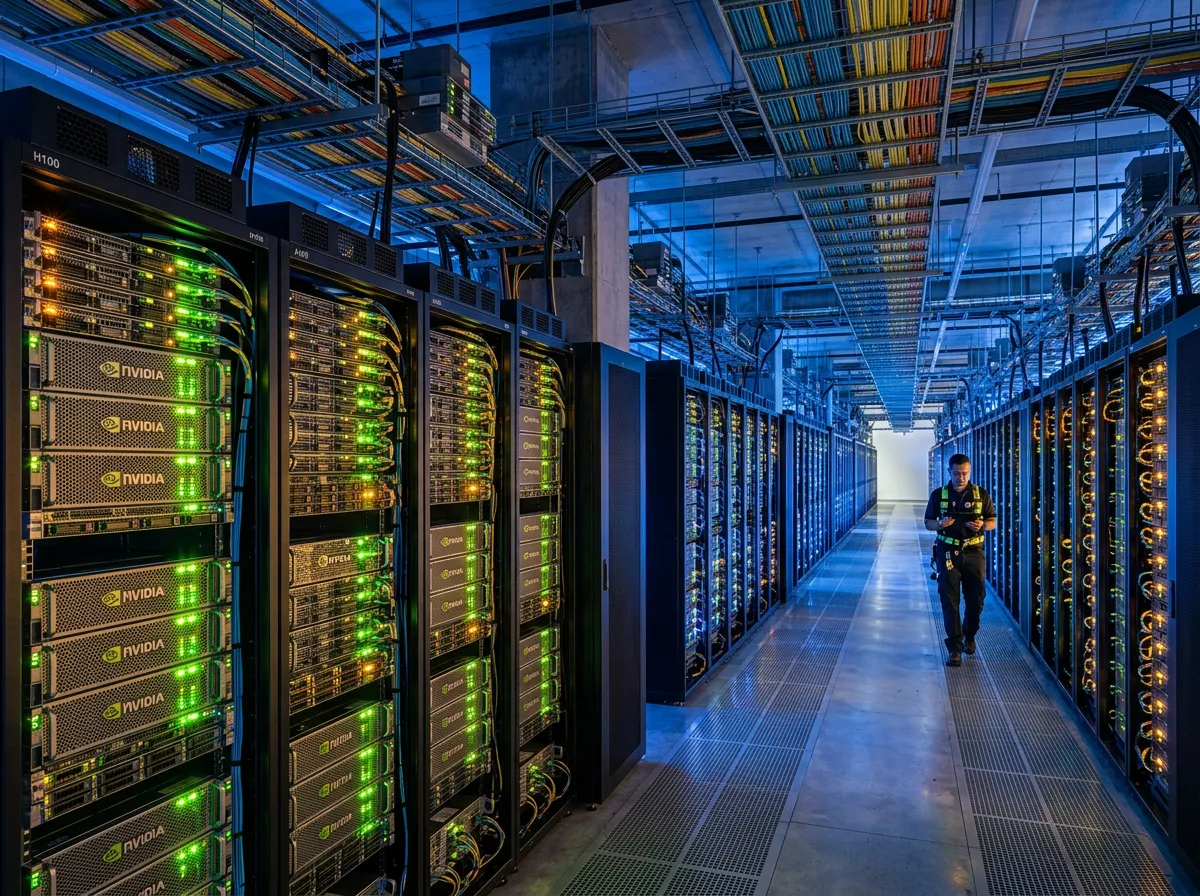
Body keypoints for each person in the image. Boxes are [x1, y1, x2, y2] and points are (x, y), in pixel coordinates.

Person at [924, 453, 997, 667]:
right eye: (956, 474)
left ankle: (969, 635)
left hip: (974, 551)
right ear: (949, 472)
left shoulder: (980, 494)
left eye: (964, 473)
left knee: (976, 600)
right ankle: (954, 648)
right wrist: (940, 525)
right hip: (948, 551)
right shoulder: (939, 495)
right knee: (949, 600)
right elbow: (928, 522)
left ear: (970, 472)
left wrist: (982, 526)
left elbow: (992, 519)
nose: (961, 477)